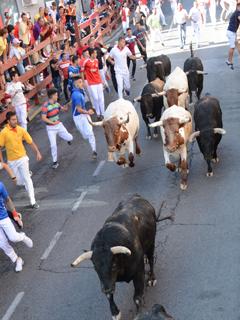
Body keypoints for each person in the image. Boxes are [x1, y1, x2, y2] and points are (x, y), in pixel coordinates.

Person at [0, 111, 42, 209]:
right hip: (12, 161)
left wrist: (37, 152)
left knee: (27, 180)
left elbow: (30, 141)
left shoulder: (21, 129)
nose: (16, 121)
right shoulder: (3, 133)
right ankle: (27, 174)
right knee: (18, 182)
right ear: (8, 121)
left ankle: (33, 201)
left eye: (16, 119)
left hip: (22, 158)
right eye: (13, 120)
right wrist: (2, 161)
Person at [0, 181, 33, 272]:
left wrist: (15, 214)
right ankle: (17, 259)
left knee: (13, 238)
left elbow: (7, 200)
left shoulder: (0, 185)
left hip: (3, 217)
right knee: (2, 244)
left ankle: (22, 236)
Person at [42, 88, 73, 169]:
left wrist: (67, 106)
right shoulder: (45, 106)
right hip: (50, 128)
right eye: (56, 95)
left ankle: (68, 139)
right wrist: (52, 123)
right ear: (51, 96)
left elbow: (64, 110)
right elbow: (43, 118)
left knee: (71, 137)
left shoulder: (57, 104)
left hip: (59, 126)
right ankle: (55, 162)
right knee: (53, 145)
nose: (57, 96)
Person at [71, 77, 97, 160]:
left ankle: (94, 151)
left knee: (90, 133)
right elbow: (78, 110)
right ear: (76, 84)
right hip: (78, 117)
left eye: (82, 81)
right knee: (85, 135)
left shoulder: (79, 91)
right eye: (80, 82)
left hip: (84, 115)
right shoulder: (77, 95)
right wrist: (88, 112)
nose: (82, 83)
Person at [82, 48, 105, 119]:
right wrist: (83, 82)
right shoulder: (86, 62)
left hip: (98, 82)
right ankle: (98, 113)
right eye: (95, 53)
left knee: (101, 98)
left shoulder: (96, 60)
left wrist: (101, 80)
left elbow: (97, 71)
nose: (96, 54)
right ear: (91, 54)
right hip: (91, 83)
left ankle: (103, 113)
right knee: (96, 98)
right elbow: (81, 72)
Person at [226, 1, 240, 69]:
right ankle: (229, 61)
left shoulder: (236, 12)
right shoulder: (237, 12)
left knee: (237, 44)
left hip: (232, 32)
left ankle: (229, 61)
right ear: (237, 6)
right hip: (231, 32)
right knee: (232, 47)